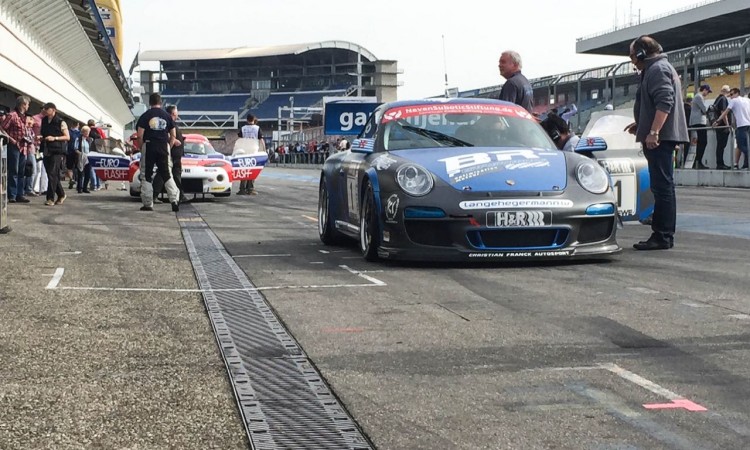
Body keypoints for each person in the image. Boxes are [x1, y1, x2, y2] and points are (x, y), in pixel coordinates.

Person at [624, 36, 688, 250]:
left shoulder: (657, 69)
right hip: (661, 135)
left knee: (662, 187)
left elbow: (665, 101)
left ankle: (662, 235)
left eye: (633, 55)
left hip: (661, 138)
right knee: (662, 186)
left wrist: (654, 131)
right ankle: (662, 234)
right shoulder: (658, 68)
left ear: (642, 53)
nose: (632, 60)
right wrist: (641, 124)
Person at [135, 92, 180, 212]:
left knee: (146, 175)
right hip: (163, 146)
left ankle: (148, 203)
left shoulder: (145, 116)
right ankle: (174, 200)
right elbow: (173, 135)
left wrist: (141, 147)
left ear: (150, 103)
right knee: (167, 174)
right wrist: (168, 146)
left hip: (149, 145)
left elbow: (140, 135)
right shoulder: (167, 116)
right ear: (161, 103)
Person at [153, 105, 187, 203]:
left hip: (174, 154)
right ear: (173, 113)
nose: (177, 115)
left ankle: (180, 196)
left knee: (174, 175)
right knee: (164, 174)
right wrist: (173, 141)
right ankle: (154, 195)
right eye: (176, 113)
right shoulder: (167, 124)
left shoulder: (169, 123)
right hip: (171, 154)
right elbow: (165, 135)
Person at [0, 96, 31, 203]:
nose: (28, 106)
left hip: (24, 147)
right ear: (22, 104)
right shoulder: (12, 115)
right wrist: (10, 138)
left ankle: (20, 194)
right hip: (14, 146)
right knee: (14, 170)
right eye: (27, 104)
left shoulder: (24, 117)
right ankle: (12, 195)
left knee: (22, 172)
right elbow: (2, 127)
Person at [40, 102, 70, 206]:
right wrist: (41, 137)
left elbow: (67, 137)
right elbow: (43, 133)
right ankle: (61, 194)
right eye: (44, 109)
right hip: (46, 149)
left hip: (57, 150)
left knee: (52, 173)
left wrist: (55, 138)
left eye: (47, 109)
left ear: (53, 110)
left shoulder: (60, 122)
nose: (45, 110)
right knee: (51, 174)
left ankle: (50, 198)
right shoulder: (44, 120)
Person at [713, 87, 750, 169]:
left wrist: (718, 121)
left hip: (741, 126)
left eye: (732, 94)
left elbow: (725, 112)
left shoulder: (734, 101)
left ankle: (744, 164)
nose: (730, 96)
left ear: (737, 93)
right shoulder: (747, 100)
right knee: (747, 145)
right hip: (748, 125)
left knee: (741, 145)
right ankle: (745, 165)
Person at [236, 114, 264, 195]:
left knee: (244, 170)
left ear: (246, 119)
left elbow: (239, 140)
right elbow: (261, 140)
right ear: (253, 119)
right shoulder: (257, 128)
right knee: (252, 170)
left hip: (244, 151)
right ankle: (250, 189)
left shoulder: (243, 128)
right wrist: (264, 150)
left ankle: (242, 189)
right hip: (253, 151)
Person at [689, 84, 711, 169]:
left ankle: (697, 162)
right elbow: (704, 109)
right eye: (708, 92)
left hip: (697, 121)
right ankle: (698, 161)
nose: (707, 94)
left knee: (702, 142)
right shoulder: (699, 97)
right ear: (704, 89)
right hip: (699, 122)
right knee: (703, 141)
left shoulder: (697, 97)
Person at [711, 85, 732, 169]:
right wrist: (727, 125)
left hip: (718, 126)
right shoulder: (723, 99)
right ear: (726, 91)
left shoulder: (717, 99)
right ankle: (720, 164)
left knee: (720, 145)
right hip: (722, 126)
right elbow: (723, 113)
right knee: (721, 145)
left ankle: (720, 163)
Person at [74, 126, 97, 193]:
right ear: (83, 132)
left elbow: (93, 148)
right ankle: (79, 188)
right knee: (80, 173)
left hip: (88, 157)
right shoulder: (78, 139)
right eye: (86, 131)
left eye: (88, 132)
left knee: (87, 174)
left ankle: (85, 188)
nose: (87, 133)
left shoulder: (91, 139)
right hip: (81, 157)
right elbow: (75, 149)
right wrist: (81, 154)